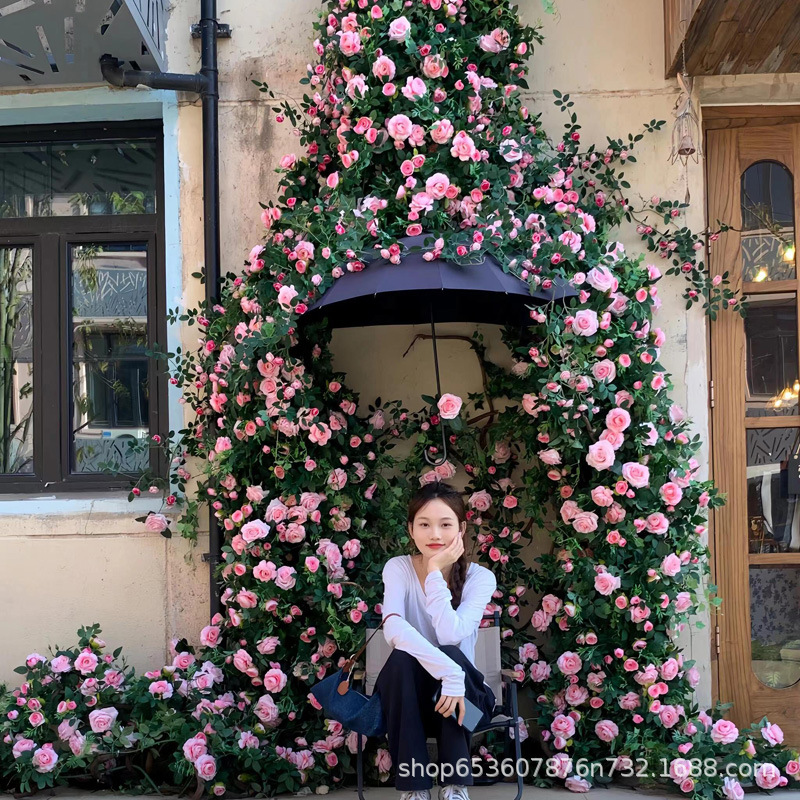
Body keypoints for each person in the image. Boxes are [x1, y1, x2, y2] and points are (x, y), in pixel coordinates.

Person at [374, 481, 498, 800]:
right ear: (411, 529)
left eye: (445, 524)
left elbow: (449, 635)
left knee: (451, 653)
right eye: (424, 524)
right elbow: (393, 629)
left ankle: (455, 786)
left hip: (468, 708)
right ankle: (415, 789)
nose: (435, 535)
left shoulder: (480, 578)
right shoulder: (398, 568)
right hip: (409, 705)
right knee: (402, 657)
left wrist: (433, 573)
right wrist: (448, 673)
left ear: (461, 529)